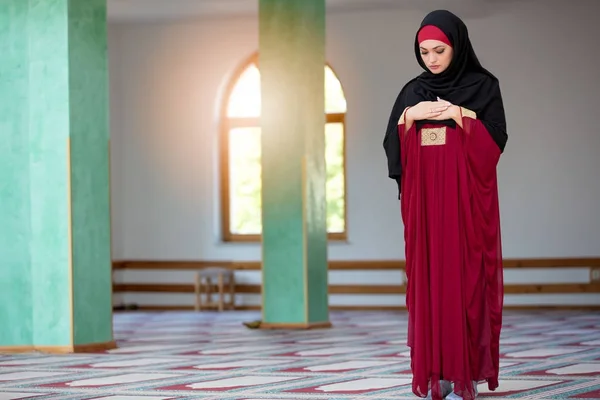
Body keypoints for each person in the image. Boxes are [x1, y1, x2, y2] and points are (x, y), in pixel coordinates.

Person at [382, 10, 507, 400]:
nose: (431, 59)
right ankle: (436, 371)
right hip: (425, 207)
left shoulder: (483, 87)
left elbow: (495, 143)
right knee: (429, 281)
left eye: (439, 50)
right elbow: (392, 146)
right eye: (424, 51)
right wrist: (408, 117)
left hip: (464, 204)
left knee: (466, 280)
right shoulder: (412, 92)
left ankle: (464, 368)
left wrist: (461, 114)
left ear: (457, 46)